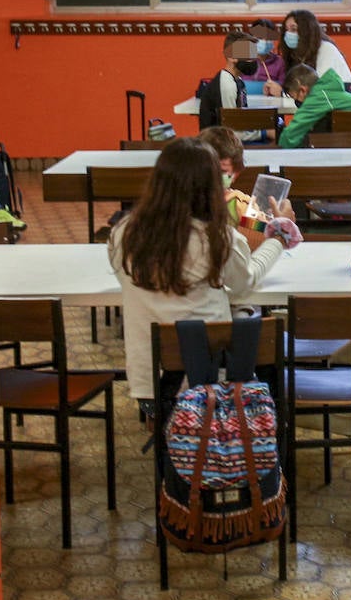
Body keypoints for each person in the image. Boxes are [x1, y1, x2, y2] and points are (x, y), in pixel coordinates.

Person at [108, 138, 301, 405]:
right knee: (256, 329)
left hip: (149, 379)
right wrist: (278, 237)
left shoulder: (123, 232)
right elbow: (245, 282)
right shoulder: (216, 236)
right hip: (207, 380)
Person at [277, 64, 351, 149]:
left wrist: (280, 151)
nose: (296, 102)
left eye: (294, 97)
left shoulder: (319, 97)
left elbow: (290, 135)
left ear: (303, 90)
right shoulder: (327, 91)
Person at [264, 9, 351, 94]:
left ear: (306, 31)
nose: (288, 34)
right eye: (286, 30)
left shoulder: (326, 49)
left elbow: (319, 89)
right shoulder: (296, 55)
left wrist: (282, 93)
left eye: (294, 29)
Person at [194, 30, 254, 130]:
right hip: (219, 142)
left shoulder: (238, 81)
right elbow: (231, 130)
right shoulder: (227, 85)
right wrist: (264, 134)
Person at [245, 17, 287, 93]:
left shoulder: (279, 63)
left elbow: (284, 89)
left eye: (268, 38)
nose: (264, 41)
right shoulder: (242, 59)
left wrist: (279, 89)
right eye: (259, 37)